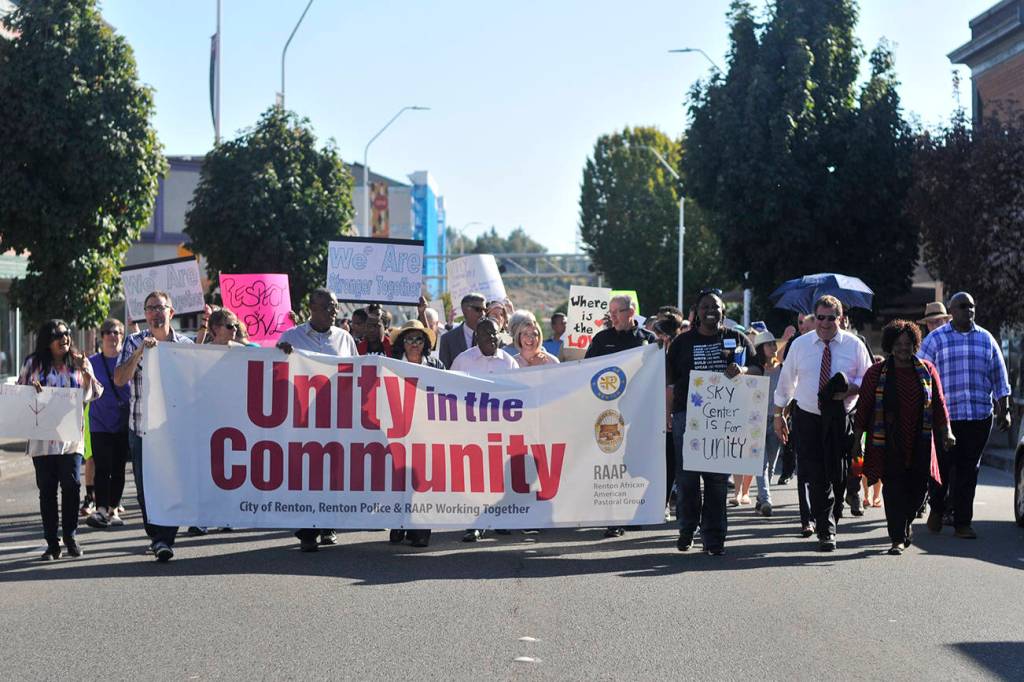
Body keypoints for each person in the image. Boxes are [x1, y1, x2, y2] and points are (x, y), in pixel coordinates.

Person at [773, 295, 872, 551]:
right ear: (814, 318)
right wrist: (778, 415)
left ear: (840, 318)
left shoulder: (855, 345)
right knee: (816, 476)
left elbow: (868, 380)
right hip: (808, 416)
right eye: (820, 317)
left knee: (838, 476)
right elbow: (786, 382)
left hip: (840, 417)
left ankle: (834, 512)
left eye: (831, 317)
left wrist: (850, 388)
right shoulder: (800, 345)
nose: (825, 323)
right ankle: (825, 530)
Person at [666, 290, 759, 555]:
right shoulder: (682, 343)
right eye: (705, 306)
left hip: (723, 421)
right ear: (696, 312)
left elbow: (758, 368)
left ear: (723, 312)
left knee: (717, 481)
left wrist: (742, 370)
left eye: (715, 307)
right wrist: (668, 415)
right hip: (687, 418)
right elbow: (669, 381)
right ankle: (687, 529)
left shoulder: (737, 339)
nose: (711, 310)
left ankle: (714, 536)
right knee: (687, 479)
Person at [853, 320, 954, 555]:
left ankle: (906, 522)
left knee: (919, 491)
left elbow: (939, 403)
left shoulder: (927, 370)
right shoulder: (876, 373)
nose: (903, 348)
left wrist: (947, 430)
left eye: (908, 344)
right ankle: (896, 538)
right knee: (893, 488)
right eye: (898, 343)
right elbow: (865, 407)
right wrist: (857, 440)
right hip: (887, 440)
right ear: (890, 345)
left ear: (915, 344)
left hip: (921, 439)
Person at [919, 292, 1011, 539]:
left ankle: (962, 522)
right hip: (945, 418)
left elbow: (999, 376)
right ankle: (937, 508)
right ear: (952, 311)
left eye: (971, 306)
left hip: (979, 416)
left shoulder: (986, 339)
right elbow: (921, 376)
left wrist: (1005, 408)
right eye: (963, 306)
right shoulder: (936, 340)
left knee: (969, 470)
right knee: (945, 468)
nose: (969, 310)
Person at [114, 292, 194, 562]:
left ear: (171, 312)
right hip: (141, 429)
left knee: (171, 483)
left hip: (173, 430)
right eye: (151, 308)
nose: (156, 313)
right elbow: (119, 379)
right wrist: (139, 353)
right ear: (145, 314)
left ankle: (164, 538)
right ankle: (155, 533)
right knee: (144, 487)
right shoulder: (133, 341)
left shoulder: (184, 344)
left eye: (161, 307)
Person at [277, 288, 358, 552]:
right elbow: (274, 372)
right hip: (303, 419)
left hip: (336, 418)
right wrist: (281, 354)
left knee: (333, 472)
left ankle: (328, 524)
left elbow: (357, 374)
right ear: (312, 307)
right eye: (328, 308)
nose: (334, 312)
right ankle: (307, 530)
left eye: (335, 307)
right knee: (307, 473)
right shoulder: (292, 337)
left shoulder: (345, 339)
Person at [19, 320, 102, 560]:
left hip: (70, 439)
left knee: (72, 486)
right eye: (58, 335)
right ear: (47, 340)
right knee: (47, 491)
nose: (64, 338)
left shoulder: (78, 362)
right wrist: (31, 392)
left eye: (67, 334)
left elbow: (94, 393)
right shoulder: (32, 364)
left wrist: (85, 371)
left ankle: (70, 536)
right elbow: (19, 395)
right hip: (42, 441)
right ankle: (52, 544)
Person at [585, 294, 656, 538]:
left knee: (635, 466)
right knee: (612, 467)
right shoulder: (602, 339)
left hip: (640, 416)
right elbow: (585, 373)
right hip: (609, 416)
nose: (612, 316)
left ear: (631, 311)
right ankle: (613, 519)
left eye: (617, 311)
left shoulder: (649, 340)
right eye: (610, 311)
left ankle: (637, 513)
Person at [388, 320, 444, 548]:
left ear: (425, 344)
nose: (414, 343)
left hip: (427, 432)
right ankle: (399, 523)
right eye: (409, 339)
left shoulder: (436, 365)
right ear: (402, 342)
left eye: (419, 339)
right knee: (398, 480)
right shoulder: (390, 365)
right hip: (397, 432)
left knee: (422, 482)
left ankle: (421, 529)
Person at [84, 319, 131, 530]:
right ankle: (101, 509)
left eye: (118, 332)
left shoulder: (128, 360)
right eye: (109, 332)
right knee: (102, 467)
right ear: (102, 336)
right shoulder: (92, 362)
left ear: (122, 336)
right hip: (100, 422)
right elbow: (84, 389)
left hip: (122, 422)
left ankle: (113, 508)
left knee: (119, 468)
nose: (113, 336)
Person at [749, 330, 782, 517]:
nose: (773, 347)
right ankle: (767, 500)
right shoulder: (756, 370)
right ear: (761, 349)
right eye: (769, 344)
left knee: (771, 461)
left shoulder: (783, 369)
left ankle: (761, 498)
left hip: (777, 420)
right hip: (757, 421)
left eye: (774, 343)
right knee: (760, 464)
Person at [653, 315, 683, 516]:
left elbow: (670, 387)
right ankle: (665, 503)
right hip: (662, 414)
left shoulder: (673, 353)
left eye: (657, 334)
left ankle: (672, 504)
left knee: (674, 462)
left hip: (673, 413)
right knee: (668, 462)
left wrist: (667, 414)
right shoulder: (657, 354)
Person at [451, 317, 518, 376]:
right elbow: (451, 386)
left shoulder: (510, 363)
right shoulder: (462, 361)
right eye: (486, 334)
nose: (491, 336)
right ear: (477, 338)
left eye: (494, 333)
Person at [438, 293, 487, 369]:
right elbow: (444, 372)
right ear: (465, 310)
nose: (483, 314)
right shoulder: (448, 339)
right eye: (478, 309)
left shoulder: (491, 338)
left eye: (485, 310)